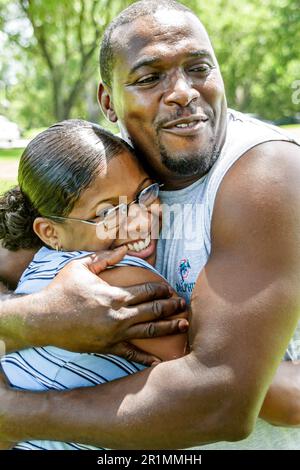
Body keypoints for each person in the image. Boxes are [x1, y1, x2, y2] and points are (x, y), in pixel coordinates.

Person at [1, 0, 300, 450]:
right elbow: (8, 264)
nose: (182, 91)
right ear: (110, 103)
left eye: (199, 67)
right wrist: (36, 319)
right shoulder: (113, 166)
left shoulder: (266, 174)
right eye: (149, 78)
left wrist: (15, 416)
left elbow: (221, 397)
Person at [0, 119, 188, 450]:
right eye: (105, 213)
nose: (139, 220)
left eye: (144, 193)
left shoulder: (39, 265)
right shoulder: (124, 278)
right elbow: (195, 367)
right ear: (50, 232)